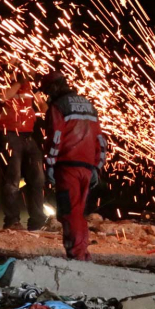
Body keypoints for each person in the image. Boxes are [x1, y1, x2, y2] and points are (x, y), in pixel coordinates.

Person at [41, 70, 106, 261]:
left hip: (66, 165)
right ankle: (83, 252)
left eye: (47, 90)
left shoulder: (58, 106)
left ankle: (77, 255)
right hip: (87, 167)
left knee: (69, 212)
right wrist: (96, 166)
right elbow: (100, 139)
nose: (47, 95)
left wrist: (50, 164)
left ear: (54, 87)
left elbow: (56, 137)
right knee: (79, 211)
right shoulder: (88, 105)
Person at [0, 72, 46, 230]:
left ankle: (38, 221)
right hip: (8, 134)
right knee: (12, 180)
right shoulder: (1, 78)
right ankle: (12, 221)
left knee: (37, 178)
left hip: (28, 135)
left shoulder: (31, 85)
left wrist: (50, 108)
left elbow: (43, 107)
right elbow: (2, 98)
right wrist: (18, 83)